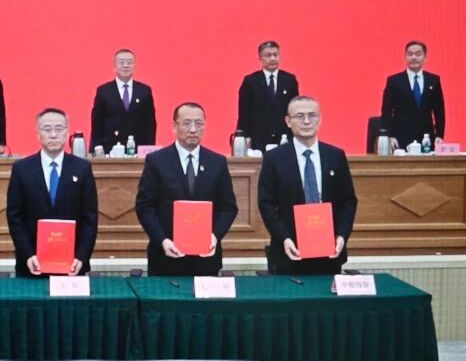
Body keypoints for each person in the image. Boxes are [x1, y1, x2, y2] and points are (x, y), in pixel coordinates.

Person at [257, 96, 357, 275]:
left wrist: (341, 236)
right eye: (299, 116)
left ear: (320, 120)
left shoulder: (335, 156)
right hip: (290, 251)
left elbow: (348, 201)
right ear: (288, 121)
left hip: (330, 252)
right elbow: (266, 204)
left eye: (312, 115)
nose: (306, 121)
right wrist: (284, 238)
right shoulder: (274, 158)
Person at [135, 102, 238, 276]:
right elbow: (145, 207)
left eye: (199, 124)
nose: (193, 130)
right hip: (166, 257)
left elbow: (228, 208)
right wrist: (162, 240)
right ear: (174, 127)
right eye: (186, 123)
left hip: (206, 258)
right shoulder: (157, 161)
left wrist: (214, 236)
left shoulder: (217, 162)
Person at [5, 108, 98, 277]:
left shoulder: (82, 168)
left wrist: (81, 256)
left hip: (72, 265)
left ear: (67, 133)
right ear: (37, 134)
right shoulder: (22, 169)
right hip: (32, 264)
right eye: (47, 129)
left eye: (59, 129)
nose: (53, 135)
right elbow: (14, 217)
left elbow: (90, 219)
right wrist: (27, 254)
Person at [380, 40, 445, 150]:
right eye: (410, 54)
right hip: (400, 139)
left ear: (425, 57)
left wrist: (439, 135)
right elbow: (386, 111)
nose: (414, 57)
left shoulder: (433, 80)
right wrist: (390, 136)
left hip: (426, 139)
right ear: (405, 57)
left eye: (418, 54)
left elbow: (439, 111)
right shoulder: (394, 81)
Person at [236, 40, 298, 150]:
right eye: (268, 55)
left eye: (275, 55)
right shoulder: (250, 81)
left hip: (284, 136)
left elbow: (295, 109)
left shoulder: (289, 80)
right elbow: (244, 112)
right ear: (260, 58)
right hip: (258, 136)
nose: (273, 58)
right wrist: (245, 136)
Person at [90, 48, 157, 150]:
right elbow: (97, 124)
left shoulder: (144, 91)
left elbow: (150, 124)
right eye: (121, 62)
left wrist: (150, 149)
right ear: (114, 66)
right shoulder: (104, 91)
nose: (125, 65)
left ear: (134, 66)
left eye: (129, 62)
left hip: (137, 149)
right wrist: (95, 149)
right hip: (110, 148)